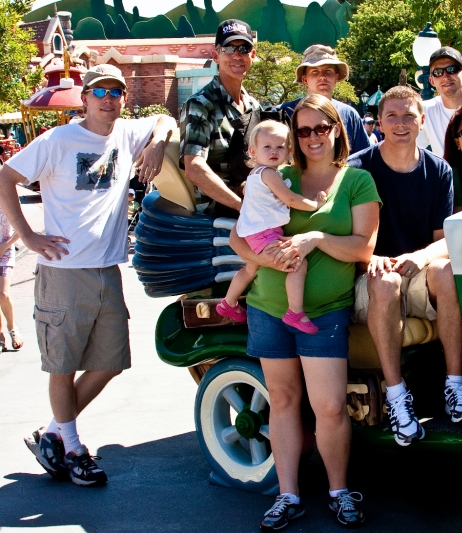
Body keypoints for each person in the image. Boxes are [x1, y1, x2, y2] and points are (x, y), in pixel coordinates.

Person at [0, 64, 176, 486]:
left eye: (115, 91)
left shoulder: (127, 133)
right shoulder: (57, 140)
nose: (108, 99)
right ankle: (75, 449)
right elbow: (5, 176)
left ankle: (54, 432)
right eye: (99, 92)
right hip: (63, 270)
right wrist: (28, 235)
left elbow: (166, 117)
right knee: (62, 366)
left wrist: (157, 143)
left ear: (124, 98)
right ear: (85, 98)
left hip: (107, 269)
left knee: (111, 362)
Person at [228, 94, 379, 530]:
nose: (312, 136)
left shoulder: (356, 180)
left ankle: (338, 491)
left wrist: (315, 238)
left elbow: (363, 248)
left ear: (336, 130)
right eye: (303, 129)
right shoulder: (276, 174)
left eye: (321, 127)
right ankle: (288, 494)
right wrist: (266, 259)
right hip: (268, 307)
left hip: (325, 311)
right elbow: (240, 236)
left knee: (329, 406)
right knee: (283, 401)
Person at [347, 86, 462, 446]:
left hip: (414, 272)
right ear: (379, 122)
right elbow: (345, 236)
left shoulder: (439, 170)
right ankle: (397, 397)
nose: (400, 123)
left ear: (422, 120)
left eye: (408, 115)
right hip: (369, 275)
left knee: (447, 271)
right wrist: (371, 259)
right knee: (386, 283)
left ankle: (456, 386)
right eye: (392, 116)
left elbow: (444, 239)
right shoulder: (357, 169)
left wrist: (419, 258)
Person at [216, 120, 327, 334]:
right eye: (267, 147)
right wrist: (316, 204)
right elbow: (290, 199)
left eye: (280, 147)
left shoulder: (254, 175)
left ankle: (228, 303)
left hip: (253, 233)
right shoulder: (268, 174)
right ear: (253, 151)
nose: (274, 151)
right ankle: (295, 312)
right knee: (297, 262)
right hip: (264, 233)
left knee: (250, 268)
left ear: (288, 151)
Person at [180, 19, 260, 216]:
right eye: (229, 48)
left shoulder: (254, 106)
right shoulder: (201, 104)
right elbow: (194, 167)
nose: (237, 55)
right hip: (218, 215)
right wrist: (241, 206)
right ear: (216, 55)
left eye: (243, 49)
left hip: (254, 201)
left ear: (253, 55)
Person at [280, 45, 370, 155]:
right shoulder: (284, 113)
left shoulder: (350, 115)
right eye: (315, 71)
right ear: (304, 79)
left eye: (328, 71)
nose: (322, 77)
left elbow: (365, 157)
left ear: (336, 77)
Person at [0, 203, 22, 352]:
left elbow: (22, 230)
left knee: (3, 294)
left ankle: (12, 327)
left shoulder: (7, 197)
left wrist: (4, 246)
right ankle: (0, 335)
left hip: (5, 252)